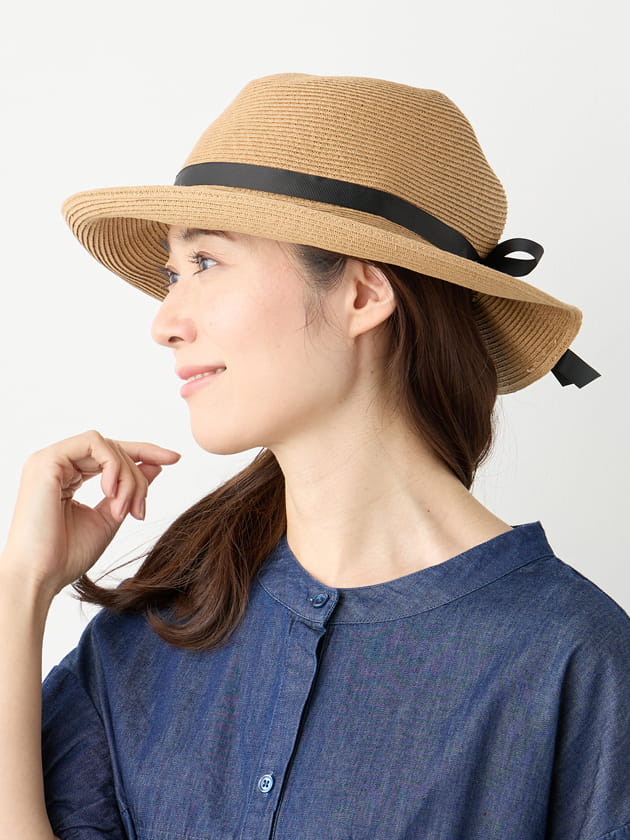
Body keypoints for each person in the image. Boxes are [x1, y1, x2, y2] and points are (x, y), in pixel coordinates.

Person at [0, 72, 627, 840]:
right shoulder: (164, 631)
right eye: (171, 275)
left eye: (206, 263)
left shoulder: (570, 661)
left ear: (362, 295)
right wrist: (20, 588)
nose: (164, 322)